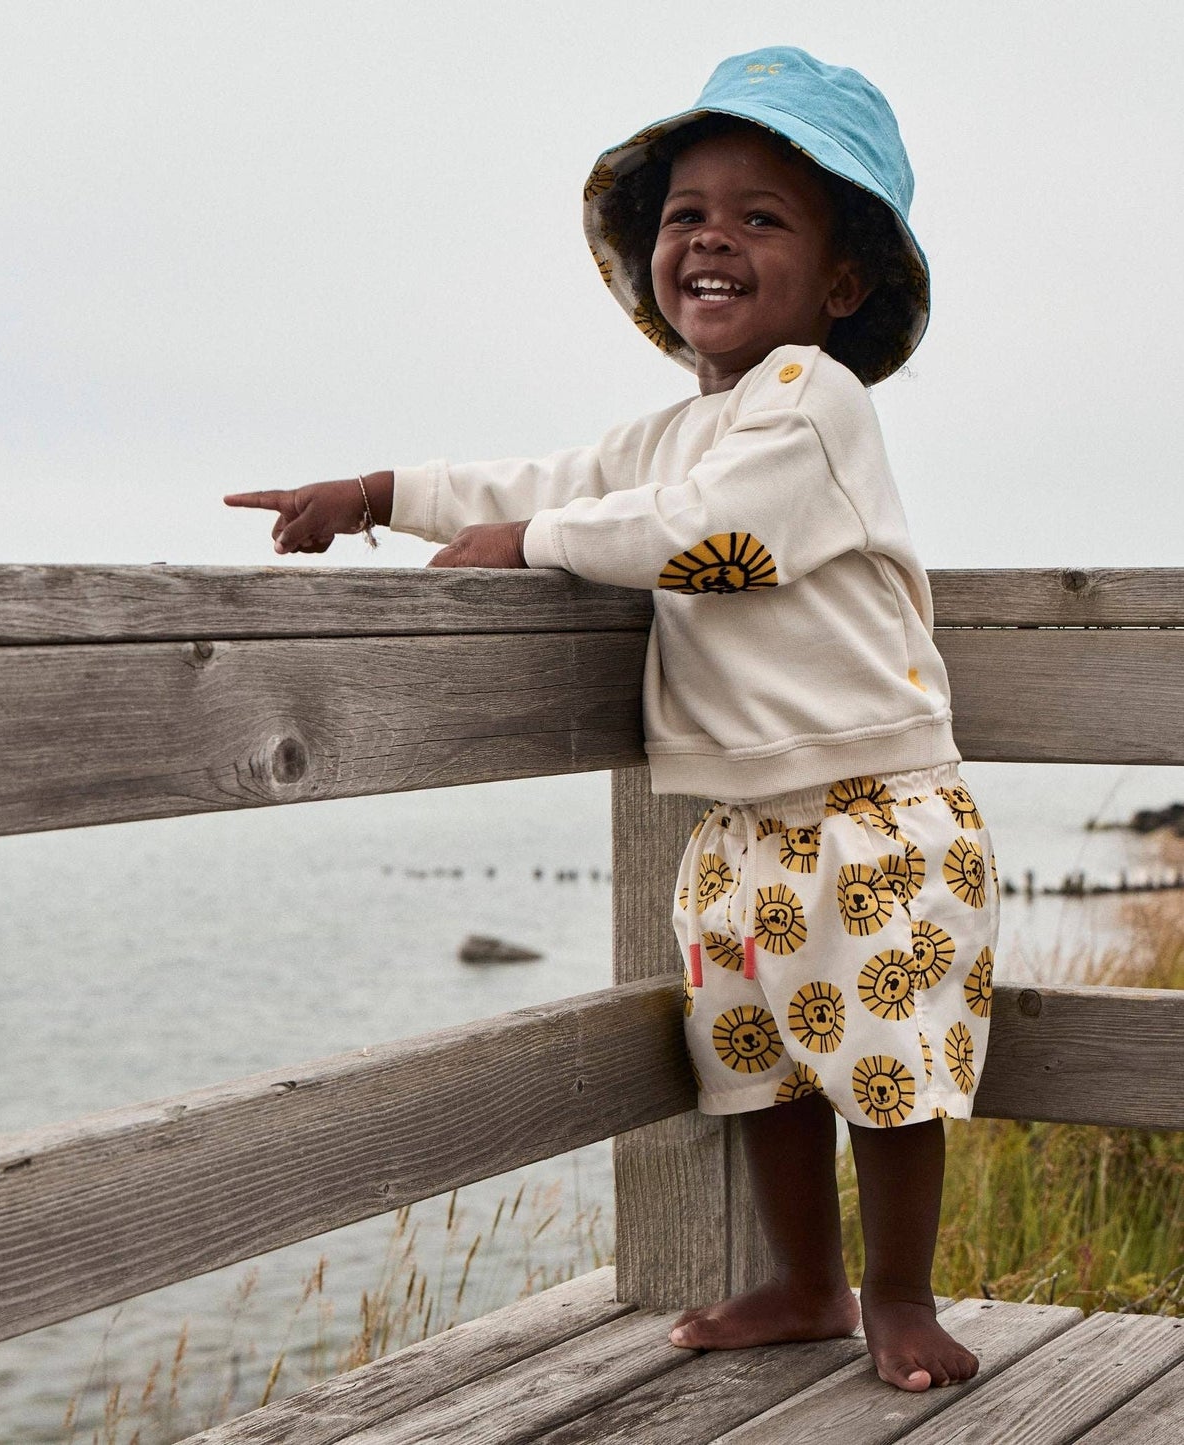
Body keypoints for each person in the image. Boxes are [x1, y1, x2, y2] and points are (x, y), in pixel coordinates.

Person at [225, 46, 999, 1394]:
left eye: (762, 216)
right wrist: (381, 490)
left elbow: (715, 538)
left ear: (841, 278)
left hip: (870, 812)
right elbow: (550, 476)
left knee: (880, 1074)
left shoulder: (816, 408)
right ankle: (805, 1283)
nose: (708, 237)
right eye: (686, 212)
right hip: (741, 824)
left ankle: (900, 1298)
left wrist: (527, 541)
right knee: (754, 1065)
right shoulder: (668, 431)